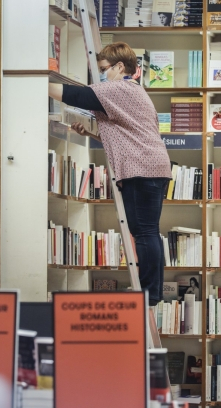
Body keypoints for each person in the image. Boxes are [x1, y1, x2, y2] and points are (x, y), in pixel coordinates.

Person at [49, 42, 172, 306]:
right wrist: (92, 134)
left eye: (104, 69)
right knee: (146, 230)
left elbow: (75, 95)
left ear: (119, 67)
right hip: (149, 166)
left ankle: (150, 294)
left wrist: (36, 80)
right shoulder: (133, 91)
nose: (102, 75)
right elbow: (126, 133)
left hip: (141, 168)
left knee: (145, 232)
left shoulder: (120, 88)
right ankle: (152, 291)